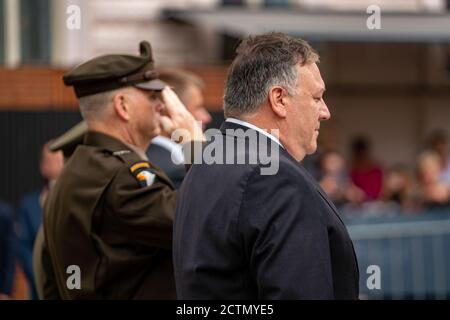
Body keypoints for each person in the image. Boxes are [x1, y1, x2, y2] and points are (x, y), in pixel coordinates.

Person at [173, 32, 359, 299]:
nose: (325, 111)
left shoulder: (205, 161)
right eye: (317, 98)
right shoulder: (276, 176)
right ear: (279, 99)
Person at [41, 41, 203, 299]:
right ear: (123, 106)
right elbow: (199, 221)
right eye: (152, 96)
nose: (160, 105)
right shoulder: (121, 177)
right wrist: (193, 144)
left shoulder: (80, 167)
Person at [147, 69, 212, 188]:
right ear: (172, 111)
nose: (206, 117)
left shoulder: (151, 159)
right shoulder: (176, 171)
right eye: (198, 107)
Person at [17, 141, 64, 299]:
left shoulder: (75, 202)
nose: (60, 164)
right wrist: (39, 274)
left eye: (62, 160)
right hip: (39, 287)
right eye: (54, 160)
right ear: (43, 166)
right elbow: (23, 247)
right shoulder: (30, 205)